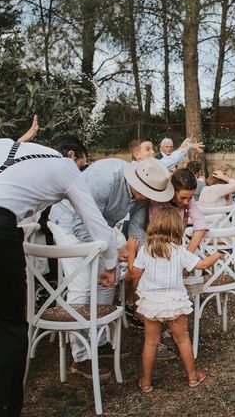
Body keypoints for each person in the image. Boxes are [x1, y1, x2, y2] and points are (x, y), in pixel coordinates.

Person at [0, 138, 116, 416]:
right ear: (71, 155)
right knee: (9, 329)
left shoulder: (2, 145)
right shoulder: (64, 166)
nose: (82, 172)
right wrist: (110, 263)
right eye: (82, 166)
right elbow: (96, 223)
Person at [49, 157, 174, 379]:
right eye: (145, 192)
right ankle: (80, 356)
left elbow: (136, 228)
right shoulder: (105, 180)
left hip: (100, 231)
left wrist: (144, 257)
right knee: (83, 286)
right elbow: (81, 224)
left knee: (108, 281)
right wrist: (114, 251)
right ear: (135, 181)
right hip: (69, 225)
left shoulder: (145, 191)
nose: (147, 198)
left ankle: (99, 342)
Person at [126, 207, 223, 393]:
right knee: (182, 339)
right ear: (177, 228)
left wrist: (131, 250)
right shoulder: (179, 251)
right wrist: (217, 255)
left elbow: (133, 273)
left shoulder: (146, 251)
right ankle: (192, 376)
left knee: (151, 342)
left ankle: (146, 381)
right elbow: (202, 264)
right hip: (174, 303)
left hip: (152, 304)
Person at [130, 137, 204, 171]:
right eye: (148, 149)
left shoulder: (134, 168)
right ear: (137, 155)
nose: (153, 152)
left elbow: (171, 160)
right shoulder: (149, 166)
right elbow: (171, 160)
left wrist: (181, 149)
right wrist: (189, 146)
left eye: (152, 149)